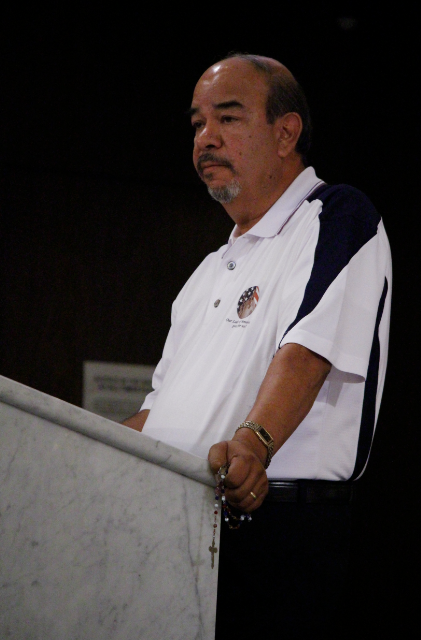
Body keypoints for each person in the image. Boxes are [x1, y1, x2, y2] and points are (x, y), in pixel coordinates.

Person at [123, 53, 392, 638]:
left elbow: (308, 352)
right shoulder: (207, 271)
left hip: (275, 535)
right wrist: (88, 451)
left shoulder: (335, 215)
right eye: (197, 124)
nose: (206, 138)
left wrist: (254, 443)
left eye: (228, 117)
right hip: (175, 528)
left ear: (285, 132)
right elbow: (160, 410)